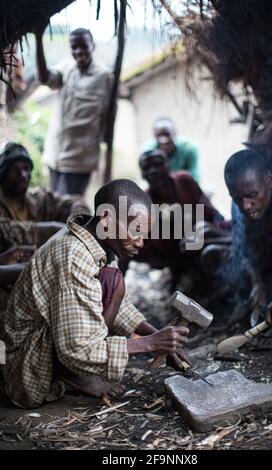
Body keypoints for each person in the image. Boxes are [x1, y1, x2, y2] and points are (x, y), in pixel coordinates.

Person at [0, 179, 191, 409]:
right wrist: (149, 344)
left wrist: (157, 335)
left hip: (43, 346)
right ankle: (73, 373)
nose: (141, 243)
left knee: (112, 281)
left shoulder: (97, 242)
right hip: (24, 370)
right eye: (136, 231)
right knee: (113, 281)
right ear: (107, 219)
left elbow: (118, 302)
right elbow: (77, 349)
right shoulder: (73, 255)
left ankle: (73, 373)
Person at [224, 149, 272, 348]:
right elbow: (245, 250)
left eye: (251, 196)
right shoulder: (243, 205)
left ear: (268, 179)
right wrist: (257, 283)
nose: (246, 206)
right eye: (237, 198)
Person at [119, 149, 227, 287]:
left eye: (158, 164)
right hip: (168, 252)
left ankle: (200, 279)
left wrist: (180, 214)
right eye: (147, 167)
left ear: (168, 166)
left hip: (196, 240)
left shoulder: (185, 181)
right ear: (143, 174)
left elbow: (209, 210)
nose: (153, 170)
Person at [35, 26, 112, 195]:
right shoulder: (66, 69)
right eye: (74, 47)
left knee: (68, 211)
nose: (79, 51)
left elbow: (109, 117)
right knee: (54, 205)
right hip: (55, 154)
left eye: (83, 46)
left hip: (80, 160)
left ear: (93, 46)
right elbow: (44, 78)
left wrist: (105, 157)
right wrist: (38, 39)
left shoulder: (105, 76)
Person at [0, 142, 89, 253]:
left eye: (26, 168)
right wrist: (53, 229)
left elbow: (75, 201)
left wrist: (77, 221)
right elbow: (5, 230)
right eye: (15, 170)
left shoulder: (37, 199)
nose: (23, 175)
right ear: (3, 173)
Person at [144, 117, 200, 182]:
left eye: (167, 134)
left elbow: (194, 179)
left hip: (185, 186)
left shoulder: (189, 148)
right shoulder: (147, 152)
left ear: (175, 133)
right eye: (160, 135)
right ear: (154, 135)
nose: (164, 140)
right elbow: (148, 178)